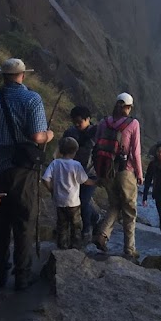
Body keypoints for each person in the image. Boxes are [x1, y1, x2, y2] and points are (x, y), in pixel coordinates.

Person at [0, 58, 53, 290]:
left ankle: (0, 273)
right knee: (23, 221)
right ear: (22, 75)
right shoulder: (32, 99)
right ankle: (22, 276)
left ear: (4, 76)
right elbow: (37, 136)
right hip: (21, 169)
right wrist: (49, 135)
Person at [92, 93, 142, 257]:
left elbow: (97, 148)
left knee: (114, 205)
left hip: (106, 172)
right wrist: (140, 173)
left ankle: (102, 234)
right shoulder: (133, 123)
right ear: (128, 107)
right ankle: (129, 249)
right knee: (129, 210)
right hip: (124, 171)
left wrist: (98, 173)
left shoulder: (103, 122)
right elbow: (135, 151)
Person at [42, 137, 88, 250]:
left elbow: (45, 179)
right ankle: (75, 246)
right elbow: (84, 180)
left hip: (59, 201)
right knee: (76, 225)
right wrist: (97, 181)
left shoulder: (55, 163)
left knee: (62, 225)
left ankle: (62, 246)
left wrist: (52, 190)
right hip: (73, 202)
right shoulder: (76, 165)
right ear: (75, 151)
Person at [62, 106, 100, 241]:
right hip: (73, 174)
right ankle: (95, 217)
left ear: (88, 119)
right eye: (75, 122)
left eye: (80, 122)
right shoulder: (70, 132)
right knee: (76, 200)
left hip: (91, 173)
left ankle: (86, 229)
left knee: (83, 201)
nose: (77, 125)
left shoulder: (97, 133)